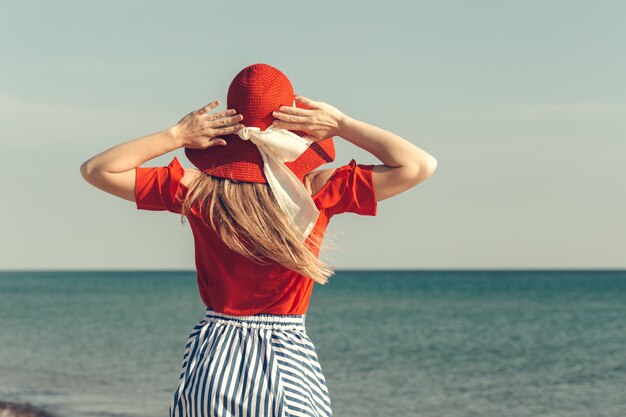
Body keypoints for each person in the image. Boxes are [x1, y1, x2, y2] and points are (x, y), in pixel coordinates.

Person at [80, 63, 437, 417]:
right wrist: (342, 124)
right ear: (294, 125)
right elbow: (419, 165)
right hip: (287, 360)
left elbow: (97, 170)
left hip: (215, 358)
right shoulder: (318, 190)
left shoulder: (197, 190)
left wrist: (175, 135)